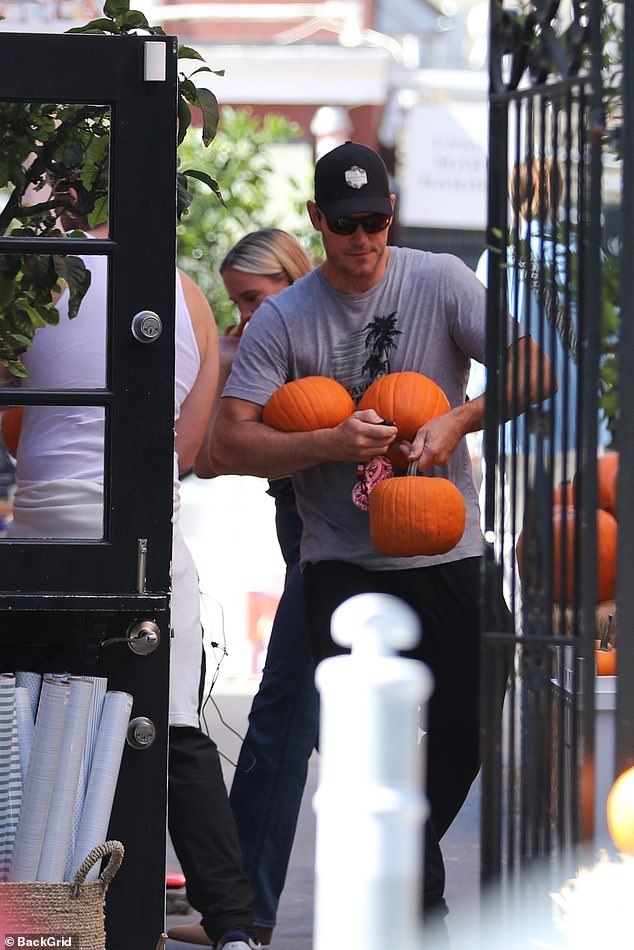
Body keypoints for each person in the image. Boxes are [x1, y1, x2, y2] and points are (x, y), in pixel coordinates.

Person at [206, 141, 554, 937]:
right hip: (344, 562)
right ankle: (412, 893)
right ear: (315, 221)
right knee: (357, 745)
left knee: (471, 718)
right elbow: (229, 443)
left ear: (392, 213)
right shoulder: (288, 318)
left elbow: (537, 370)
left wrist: (458, 417)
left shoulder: (438, 280)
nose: (363, 242)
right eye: (345, 226)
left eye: (376, 222)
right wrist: (327, 444)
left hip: (444, 548)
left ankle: (407, 850)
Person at [5, 183, 261, 950]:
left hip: (46, 536)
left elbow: (17, 435)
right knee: (177, 733)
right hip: (146, 539)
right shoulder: (191, 301)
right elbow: (185, 453)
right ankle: (235, 927)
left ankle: (37, 921)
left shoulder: (39, 279)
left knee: (24, 725)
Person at [178, 229, 318, 948]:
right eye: (236, 303)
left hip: (338, 546)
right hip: (301, 536)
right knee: (286, 726)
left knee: (280, 726)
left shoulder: (321, 341)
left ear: (293, 280)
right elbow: (204, 456)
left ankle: (244, 911)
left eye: (255, 298)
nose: (245, 316)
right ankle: (239, 905)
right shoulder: (261, 349)